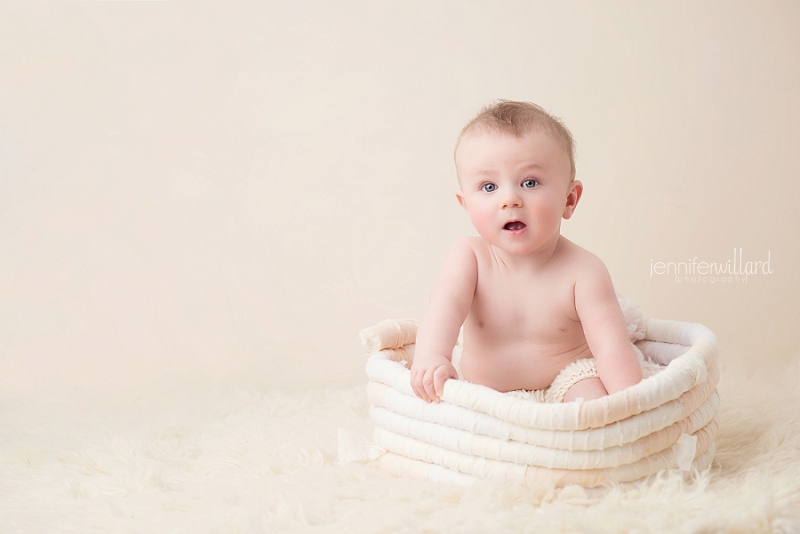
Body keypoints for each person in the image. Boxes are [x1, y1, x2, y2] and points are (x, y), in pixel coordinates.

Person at [410, 100, 642, 404]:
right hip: (484, 390)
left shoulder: (584, 271)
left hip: (567, 378)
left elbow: (611, 347)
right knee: (453, 419)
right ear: (465, 204)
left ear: (569, 199)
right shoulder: (469, 257)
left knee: (593, 407)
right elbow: (444, 307)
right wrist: (432, 357)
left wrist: (633, 402)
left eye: (529, 182)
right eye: (489, 187)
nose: (510, 199)